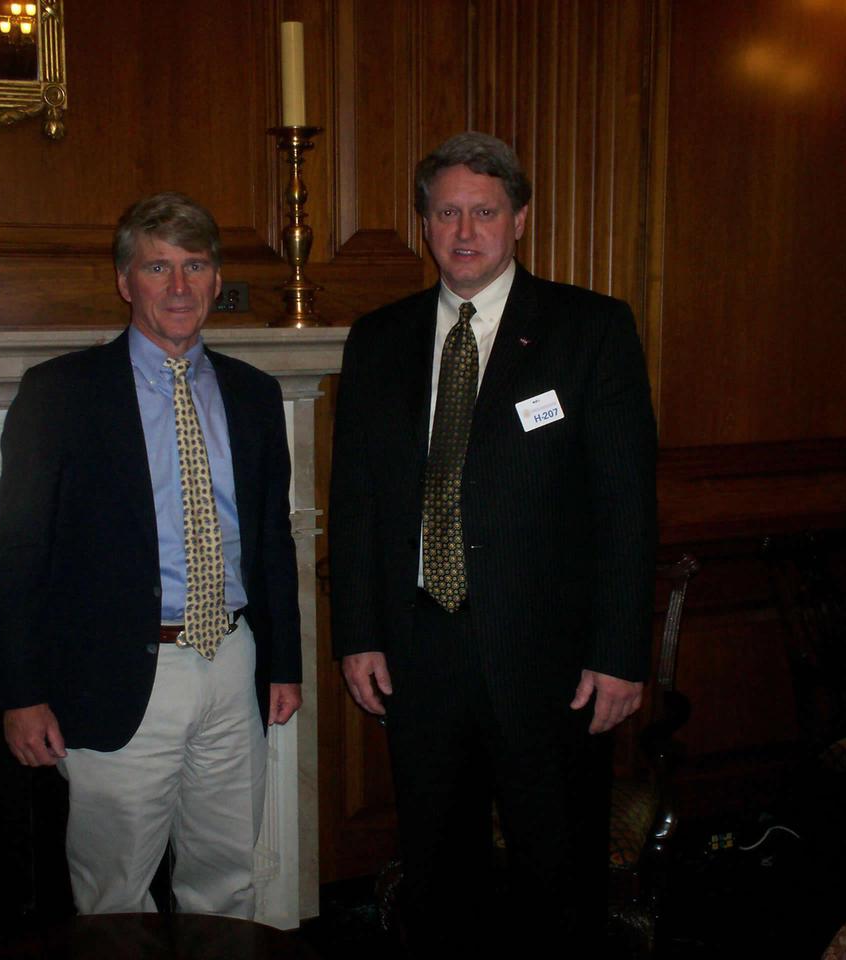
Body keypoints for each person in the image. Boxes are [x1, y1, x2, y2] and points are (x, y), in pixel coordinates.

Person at [329, 132, 657, 950]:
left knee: (560, 879)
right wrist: (358, 633)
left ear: (519, 219)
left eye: (484, 211)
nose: (465, 231)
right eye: (447, 212)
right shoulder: (379, 338)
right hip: (418, 651)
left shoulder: (590, 330)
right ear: (424, 225)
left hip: (549, 662)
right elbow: (357, 500)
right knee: (439, 880)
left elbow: (626, 506)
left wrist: (620, 652)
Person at [0, 192, 302, 919]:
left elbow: (271, 540)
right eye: (158, 267)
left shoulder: (254, 395)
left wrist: (283, 662)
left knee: (227, 876)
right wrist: (21, 693)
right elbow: (18, 555)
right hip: (114, 674)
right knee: (115, 891)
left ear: (218, 279)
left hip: (231, 663)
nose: (180, 286)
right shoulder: (59, 394)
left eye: (195, 265)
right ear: (126, 280)